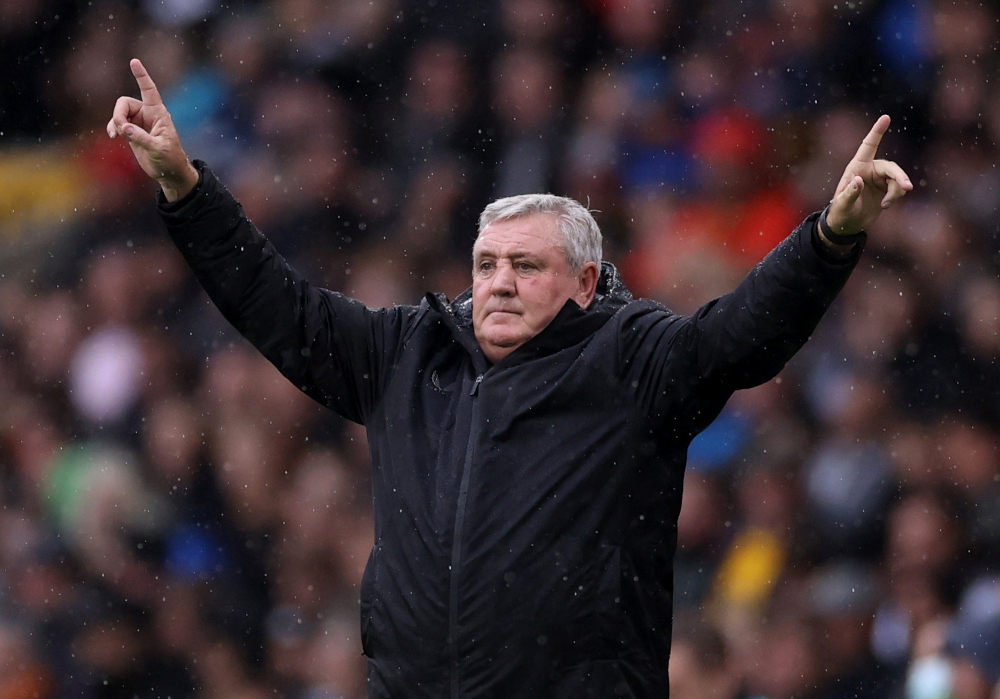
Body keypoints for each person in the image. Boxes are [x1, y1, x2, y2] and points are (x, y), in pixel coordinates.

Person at [108, 58, 912, 697]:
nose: (496, 281)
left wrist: (831, 235)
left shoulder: (634, 362)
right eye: (486, 263)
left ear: (587, 282)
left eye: (526, 265)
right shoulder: (405, 352)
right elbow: (276, 307)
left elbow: (743, 335)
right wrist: (186, 185)